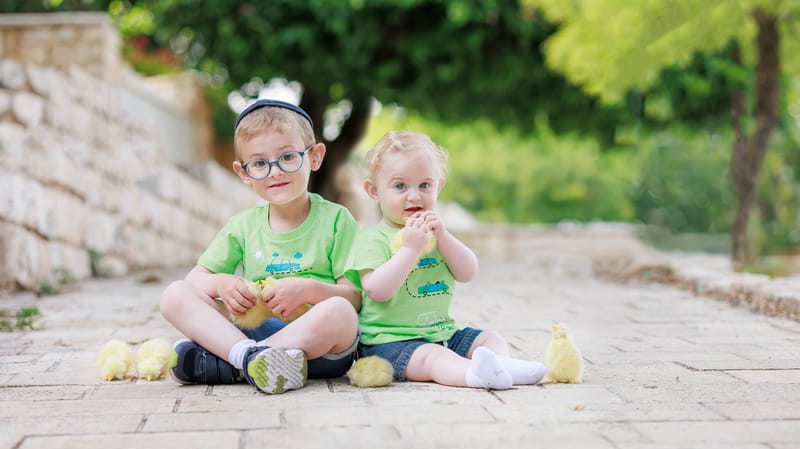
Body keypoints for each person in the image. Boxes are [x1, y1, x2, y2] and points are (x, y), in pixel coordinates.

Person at [159, 99, 361, 394]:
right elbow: (195, 281)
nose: (275, 172)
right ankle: (250, 359)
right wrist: (222, 283)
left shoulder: (336, 219)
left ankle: (236, 360)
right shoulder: (243, 225)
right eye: (259, 164)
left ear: (314, 157)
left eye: (288, 157)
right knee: (174, 295)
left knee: (341, 311)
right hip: (253, 331)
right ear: (244, 173)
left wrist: (307, 290)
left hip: (320, 346)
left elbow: (355, 297)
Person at [347, 130, 546, 390]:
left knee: (489, 339)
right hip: (392, 344)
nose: (415, 196)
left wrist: (443, 236)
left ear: (438, 186)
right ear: (374, 191)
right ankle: (474, 375)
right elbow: (377, 290)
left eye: (424, 185)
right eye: (399, 186)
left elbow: (467, 272)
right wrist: (410, 250)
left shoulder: (435, 234)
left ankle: (502, 366)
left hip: (443, 334)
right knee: (436, 358)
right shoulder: (372, 238)